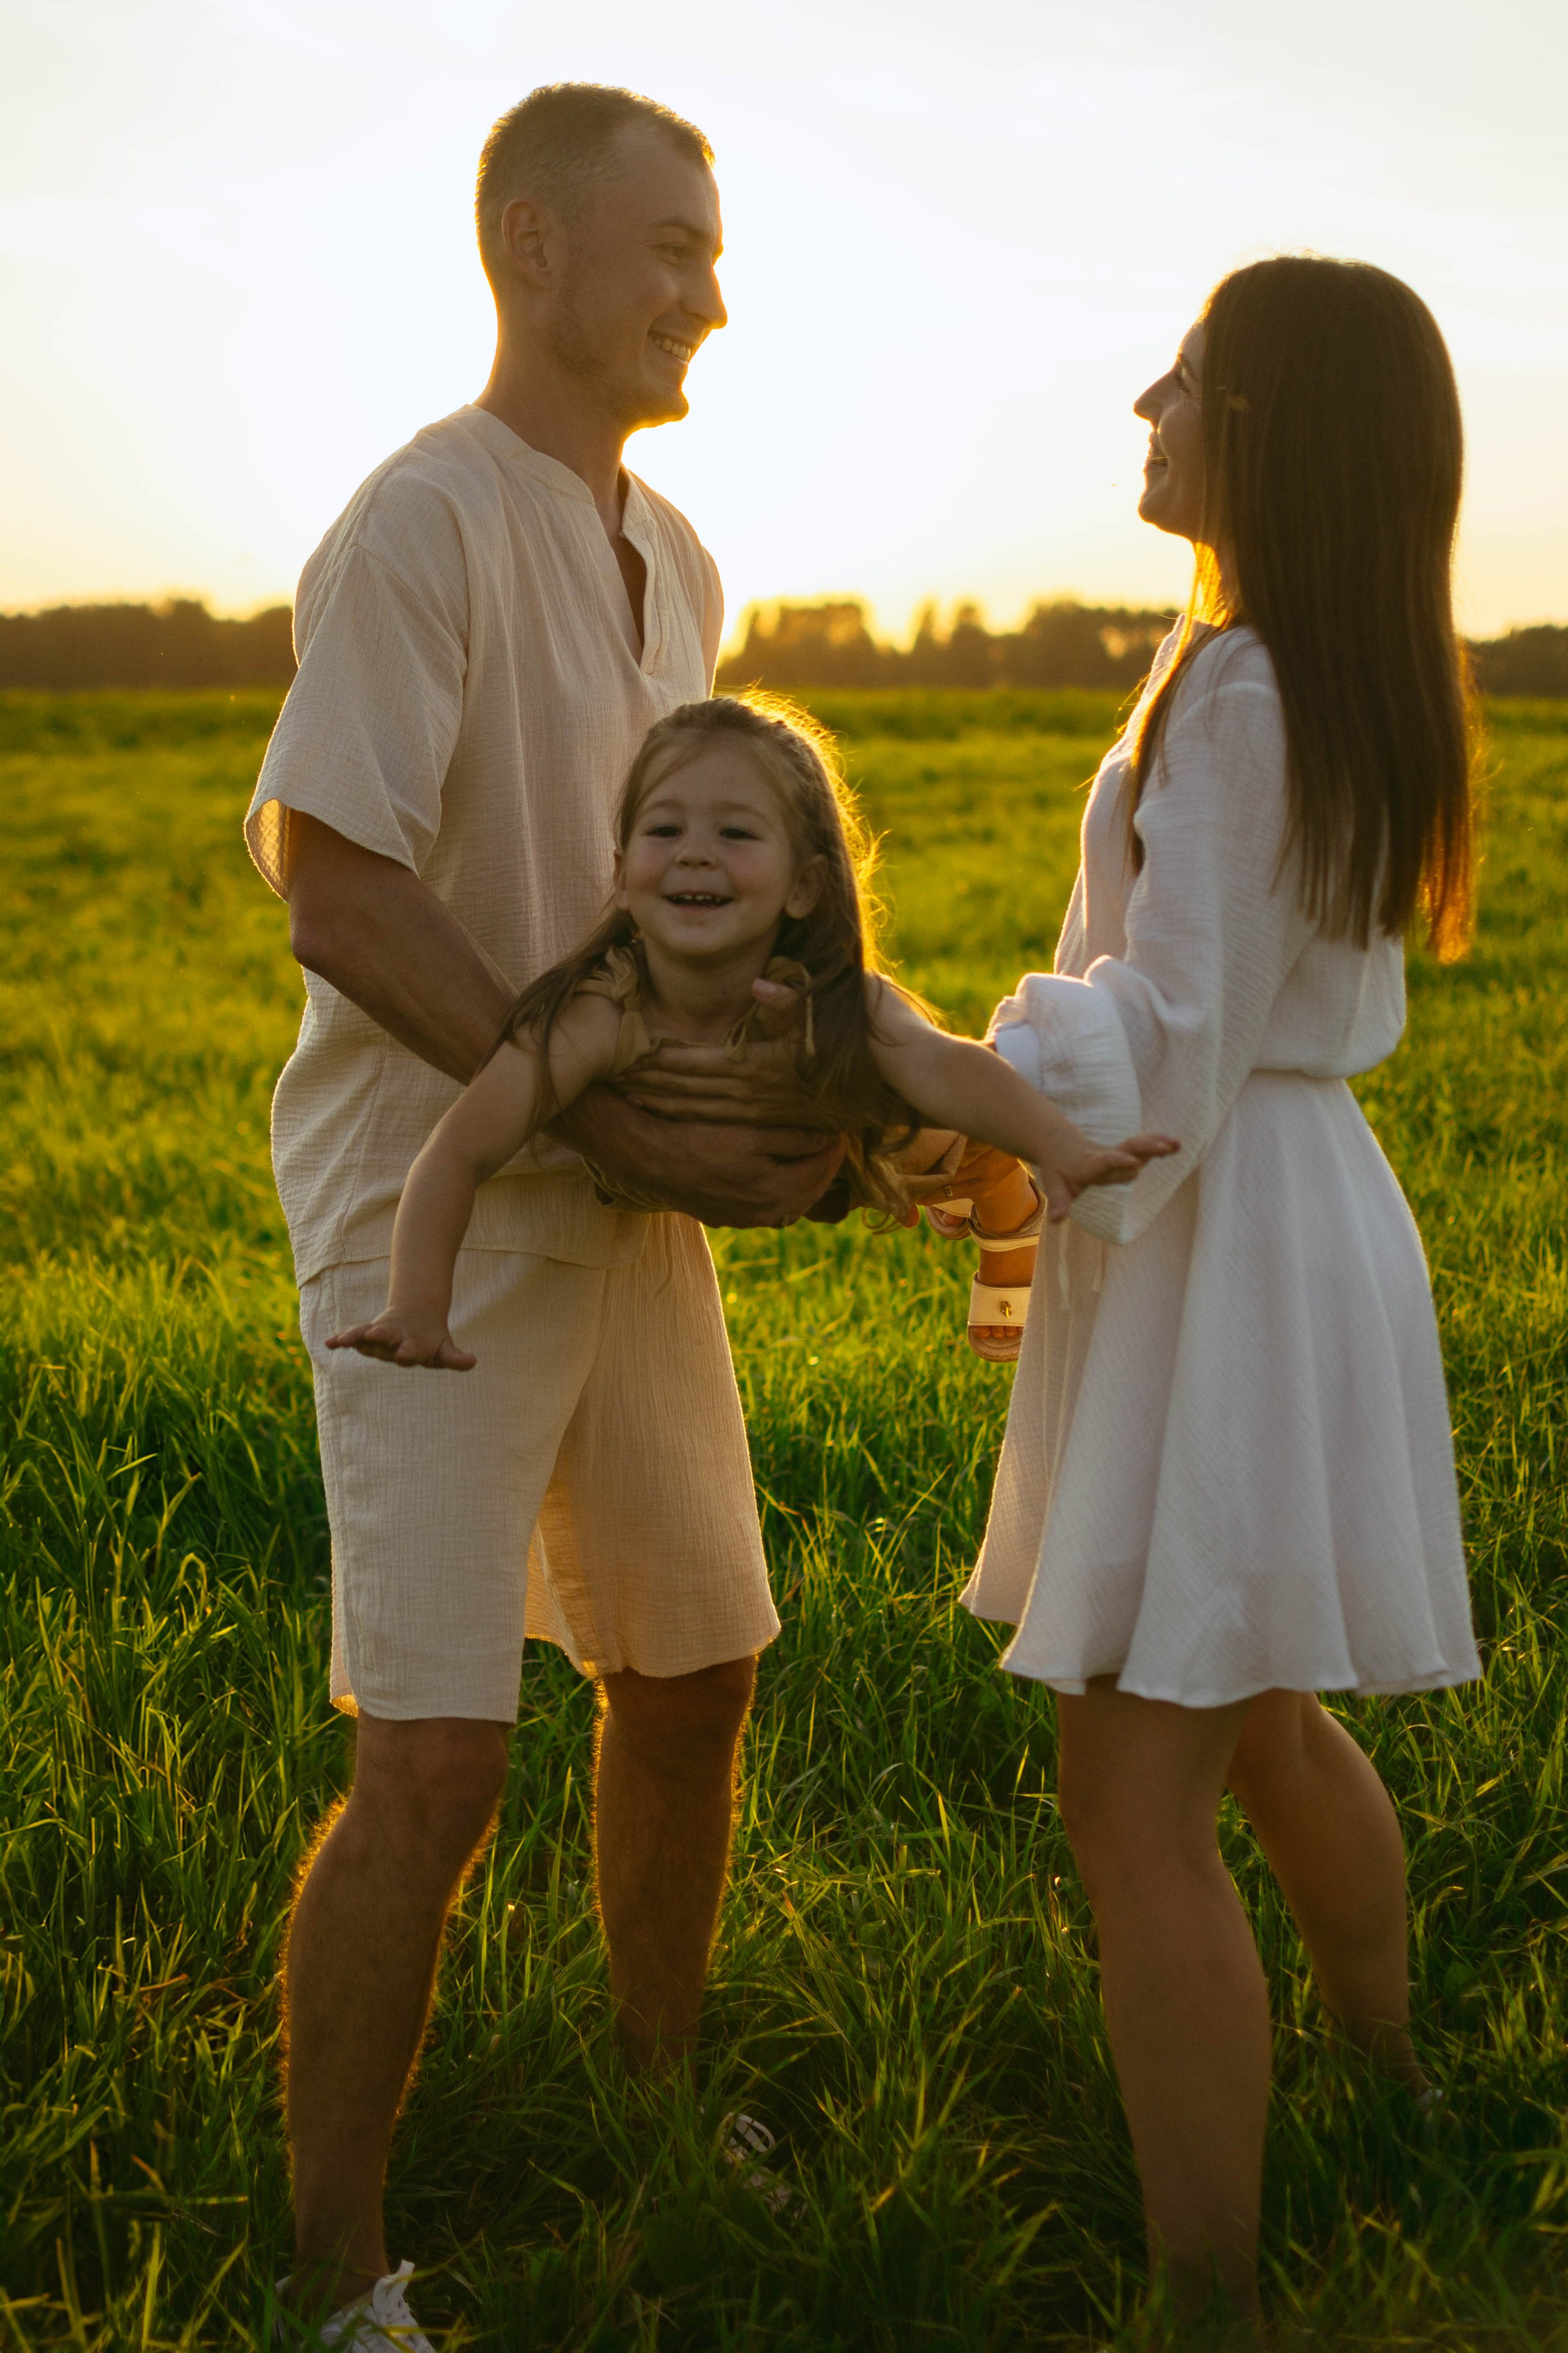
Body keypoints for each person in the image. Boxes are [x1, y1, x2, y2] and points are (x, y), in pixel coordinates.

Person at [246, 81, 928, 2347]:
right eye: (672, 248)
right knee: (434, 1756)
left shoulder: (688, 556)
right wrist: (582, 1106)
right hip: (431, 1208)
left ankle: (652, 2101)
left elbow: (705, 907)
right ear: (531, 247)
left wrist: (852, 1107)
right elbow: (326, 871)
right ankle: (339, 2282)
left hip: (626, 1213)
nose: (711, 295)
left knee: (702, 1658)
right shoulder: (424, 519)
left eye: (715, 255)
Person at [959, 256, 1481, 2335]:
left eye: (1185, 371)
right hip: (1274, 1215)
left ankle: (1210, 2294)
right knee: (1255, 1711)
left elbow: (1167, 1045)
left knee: (1132, 1792)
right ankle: (1404, 2086)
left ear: (1264, 420)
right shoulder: (1303, 669)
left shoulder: (1248, 688)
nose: (1146, 399)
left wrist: (965, 1074)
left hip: (1223, 1233)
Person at [325, 694, 1174, 1376]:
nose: (696, 854)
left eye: (734, 832)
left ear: (804, 886)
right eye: (665, 830)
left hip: (857, 1125)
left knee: (937, 1124)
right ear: (620, 874)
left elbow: (950, 1065)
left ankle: (999, 1190)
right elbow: (460, 1148)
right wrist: (416, 1301)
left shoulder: (830, 1003)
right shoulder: (603, 1011)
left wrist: (1059, 1145)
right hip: (686, 1176)